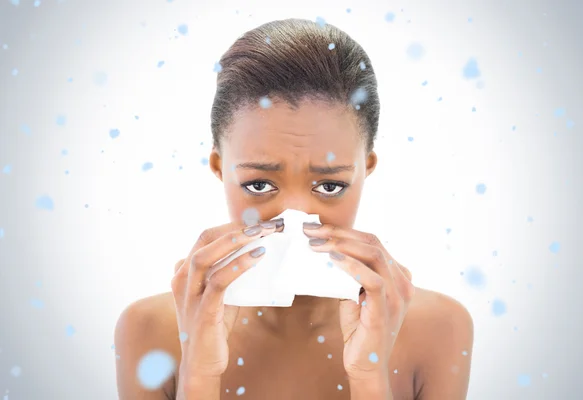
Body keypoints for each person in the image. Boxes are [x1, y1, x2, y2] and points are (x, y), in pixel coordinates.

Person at [114, 18, 474, 400]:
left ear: (366, 168)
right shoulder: (149, 330)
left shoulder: (439, 328)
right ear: (220, 168)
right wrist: (200, 374)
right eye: (259, 185)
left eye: (330, 186)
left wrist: (368, 374)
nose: (296, 216)